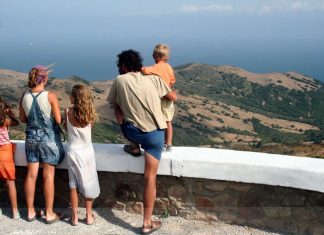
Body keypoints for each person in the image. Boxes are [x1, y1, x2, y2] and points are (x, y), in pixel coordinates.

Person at [107, 49, 177, 234]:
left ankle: (133, 146)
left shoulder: (119, 80)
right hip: (156, 135)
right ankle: (147, 223)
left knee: (118, 108)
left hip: (133, 133)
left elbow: (114, 104)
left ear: (123, 66)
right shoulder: (154, 78)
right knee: (150, 178)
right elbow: (171, 97)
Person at [19, 65, 64, 224]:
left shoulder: (24, 95)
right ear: (44, 78)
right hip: (48, 141)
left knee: (31, 175)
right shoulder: (50, 96)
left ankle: (30, 212)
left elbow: (23, 119)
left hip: (31, 140)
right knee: (48, 176)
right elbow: (58, 120)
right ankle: (49, 213)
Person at [64, 84, 100, 226]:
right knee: (88, 183)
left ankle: (74, 218)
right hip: (87, 152)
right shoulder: (90, 113)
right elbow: (89, 129)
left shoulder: (67, 112)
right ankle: (89, 216)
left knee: (73, 185)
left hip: (72, 151)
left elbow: (66, 128)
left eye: (71, 95)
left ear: (74, 98)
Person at [142, 43, 176, 151]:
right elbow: (172, 80)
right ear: (167, 57)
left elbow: (145, 71)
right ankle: (169, 143)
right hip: (168, 98)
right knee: (168, 121)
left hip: (158, 98)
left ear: (154, 56)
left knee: (157, 122)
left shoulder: (155, 68)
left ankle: (159, 143)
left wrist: (142, 68)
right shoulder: (169, 67)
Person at [0, 97, 20, 219]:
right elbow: (17, 122)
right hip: (6, 151)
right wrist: (7, 112)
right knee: (10, 182)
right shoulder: (5, 121)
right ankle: (15, 212)